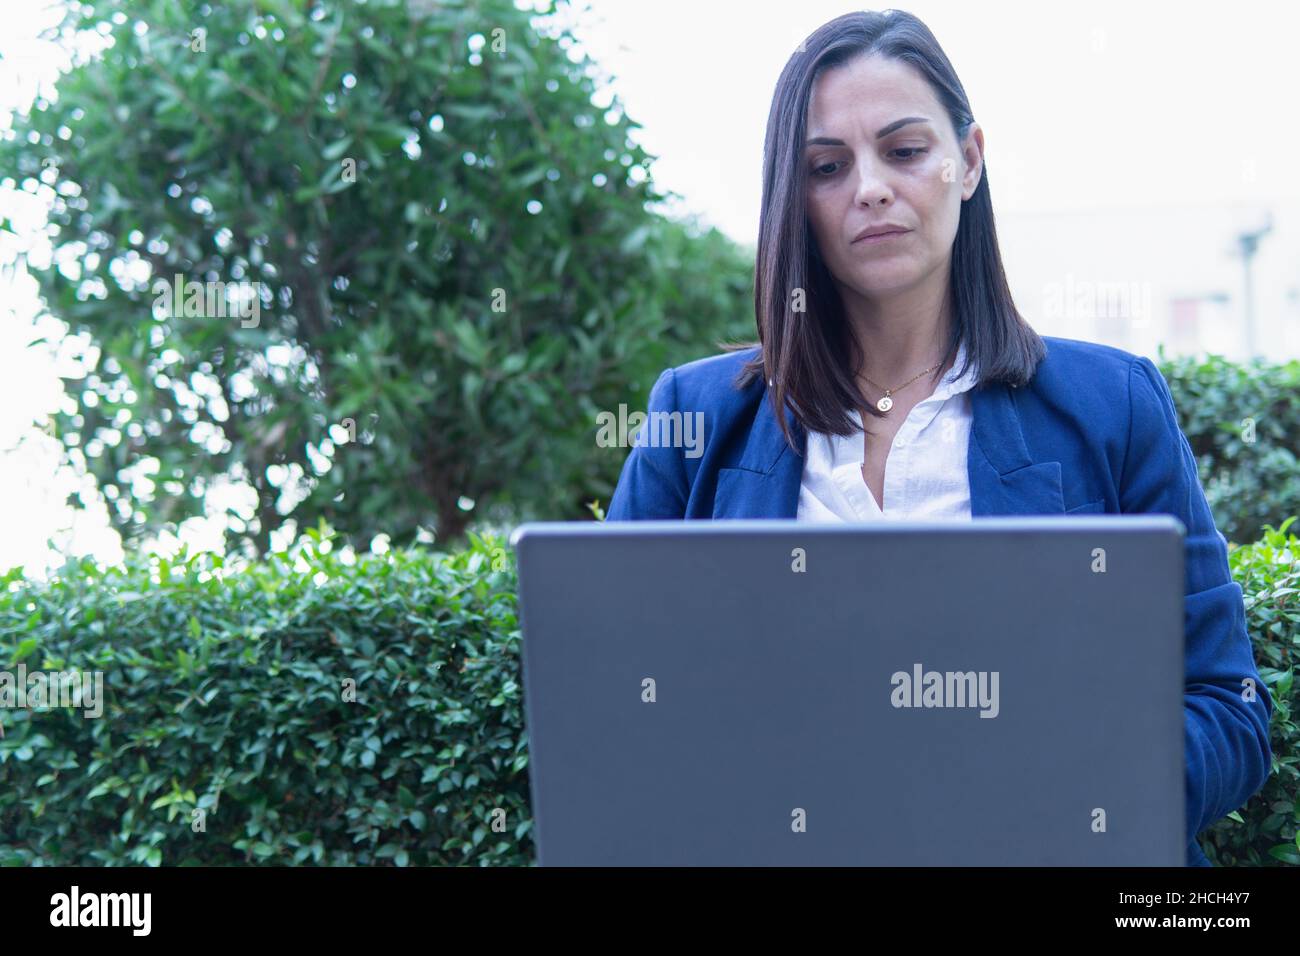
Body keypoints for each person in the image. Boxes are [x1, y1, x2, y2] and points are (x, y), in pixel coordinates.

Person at [605, 9, 1272, 867]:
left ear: (970, 161)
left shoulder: (1114, 405)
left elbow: (1228, 702)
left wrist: (1071, 790)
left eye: (905, 150)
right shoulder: (691, 419)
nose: (871, 187)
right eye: (826, 166)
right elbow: (614, 705)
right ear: (793, 197)